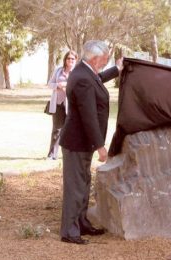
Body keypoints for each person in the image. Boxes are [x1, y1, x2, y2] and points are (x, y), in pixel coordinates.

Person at [59, 40, 123, 245]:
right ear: (94, 58)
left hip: (81, 142)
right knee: (75, 186)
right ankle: (69, 231)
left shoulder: (85, 72)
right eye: (104, 60)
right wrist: (100, 146)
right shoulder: (82, 77)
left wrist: (117, 69)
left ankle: (81, 222)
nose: (105, 64)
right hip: (77, 141)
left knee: (83, 183)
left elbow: (98, 78)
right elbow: (88, 115)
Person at [46, 50, 78, 160]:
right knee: (57, 130)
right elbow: (50, 84)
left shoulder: (77, 72)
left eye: (73, 59)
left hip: (72, 106)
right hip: (58, 104)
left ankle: (70, 155)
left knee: (71, 130)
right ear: (65, 60)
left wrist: (67, 85)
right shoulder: (58, 71)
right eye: (68, 58)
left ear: (76, 60)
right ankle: (52, 155)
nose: (70, 60)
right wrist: (58, 85)